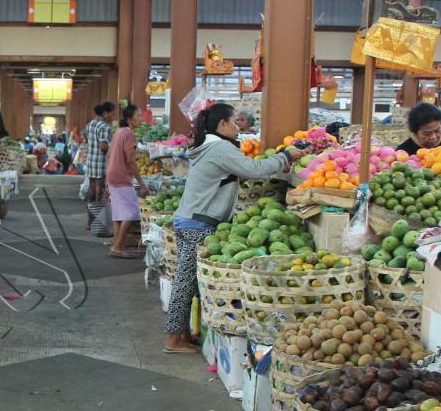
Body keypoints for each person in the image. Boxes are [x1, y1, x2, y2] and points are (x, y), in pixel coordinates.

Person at [165, 103, 300, 353]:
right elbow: (254, 169)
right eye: (234, 122)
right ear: (222, 125)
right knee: (186, 282)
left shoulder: (210, 147)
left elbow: (236, 174)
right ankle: (173, 339)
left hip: (190, 219)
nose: (238, 127)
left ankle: (182, 333)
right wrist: (286, 156)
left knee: (190, 282)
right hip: (198, 222)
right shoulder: (220, 147)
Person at [105, 104, 147, 258]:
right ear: (130, 118)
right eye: (139, 115)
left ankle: (118, 244)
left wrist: (106, 180)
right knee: (131, 212)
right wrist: (142, 183)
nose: (141, 119)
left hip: (112, 174)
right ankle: (117, 247)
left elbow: (109, 155)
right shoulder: (129, 134)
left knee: (119, 213)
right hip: (121, 176)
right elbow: (131, 161)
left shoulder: (119, 132)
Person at [84, 101, 115, 230]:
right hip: (101, 162)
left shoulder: (90, 124)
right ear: (106, 113)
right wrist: (114, 149)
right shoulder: (104, 126)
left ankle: (90, 222)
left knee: (91, 190)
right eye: (112, 114)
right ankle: (97, 222)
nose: (113, 116)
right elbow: (103, 146)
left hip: (91, 161)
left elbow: (89, 141)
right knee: (100, 191)